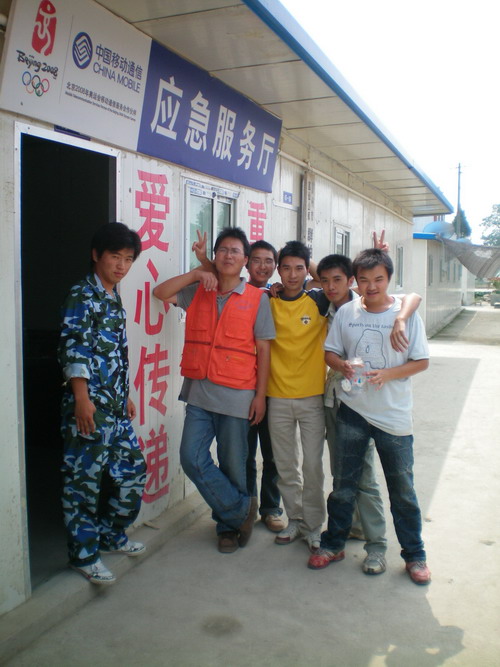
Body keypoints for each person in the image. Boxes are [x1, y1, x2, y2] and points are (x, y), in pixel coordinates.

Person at [308, 248, 431, 585]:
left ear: (389, 279)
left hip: (393, 417)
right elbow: (330, 352)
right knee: (343, 486)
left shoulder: (405, 314)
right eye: (364, 280)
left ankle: (414, 555)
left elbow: (421, 361)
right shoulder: (347, 312)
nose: (372, 286)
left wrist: (388, 374)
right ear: (356, 282)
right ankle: (333, 544)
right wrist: (343, 365)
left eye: (379, 279)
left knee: (402, 490)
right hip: (353, 411)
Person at [153, 227, 275, 554]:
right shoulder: (199, 291)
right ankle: (240, 510)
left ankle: (228, 528)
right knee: (191, 457)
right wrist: (196, 272)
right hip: (199, 392)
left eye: (235, 251)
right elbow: (160, 293)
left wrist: (260, 396)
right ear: (215, 256)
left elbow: (264, 350)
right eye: (222, 250)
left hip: (238, 395)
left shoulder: (257, 299)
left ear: (245, 260)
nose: (228, 255)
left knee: (233, 464)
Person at [58, 222, 147, 586]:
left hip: (114, 407)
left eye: (128, 258)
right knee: (84, 483)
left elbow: (113, 354)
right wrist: (81, 399)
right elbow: (74, 349)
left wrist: (125, 394)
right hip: (89, 409)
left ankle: (111, 535)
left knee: (133, 470)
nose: (121, 265)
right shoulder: (82, 295)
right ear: (96, 255)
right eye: (115, 256)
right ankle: (83, 555)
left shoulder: (112, 295)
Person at [267, 240, 329, 553]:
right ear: (278, 271)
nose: (292, 275)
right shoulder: (268, 300)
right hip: (276, 396)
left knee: (313, 466)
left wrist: (308, 260)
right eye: (286, 268)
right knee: (286, 465)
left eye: (299, 268)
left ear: (307, 270)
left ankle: (313, 526)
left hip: (312, 397)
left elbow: (329, 280)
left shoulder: (319, 300)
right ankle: (294, 518)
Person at [245, 241, 285, 533]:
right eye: (256, 260)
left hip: (275, 387)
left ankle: (271, 509)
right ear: (246, 263)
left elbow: (321, 277)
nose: (262, 266)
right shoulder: (237, 292)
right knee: (244, 454)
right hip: (243, 386)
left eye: (269, 261)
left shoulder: (281, 295)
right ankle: (246, 509)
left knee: (273, 454)